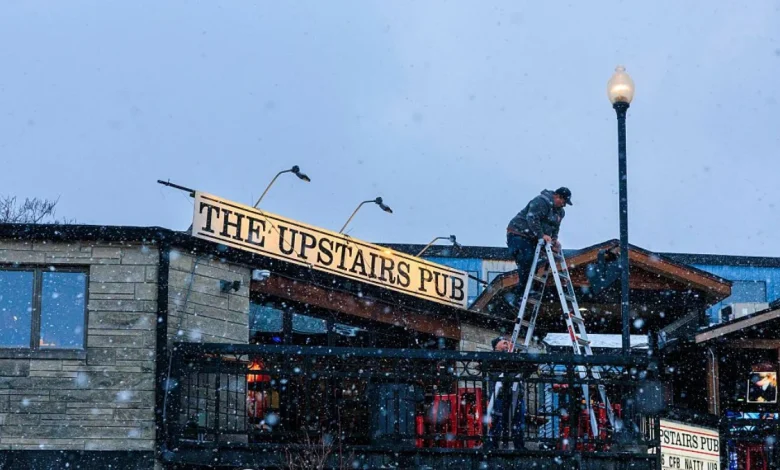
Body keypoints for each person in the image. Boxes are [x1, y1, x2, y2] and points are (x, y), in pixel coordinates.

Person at [506, 187, 573, 304]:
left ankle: (528, 290)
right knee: (527, 259)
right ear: (557, 196)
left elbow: (555, 227)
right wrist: (541, 235)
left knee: (539, 262)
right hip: (518, 233)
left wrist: (554, 240)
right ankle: (520, 293)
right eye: (563, 202)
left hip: (533, 237)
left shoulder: (560, 212)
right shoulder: (541, 201)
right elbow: (532, 218)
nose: (564, 205)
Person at [487, 336, 525, 449]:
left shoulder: (514, 357)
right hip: (499, 395)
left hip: (516, 395)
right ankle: (492, 446)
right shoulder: (493, 358)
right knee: (498, 421)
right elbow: (496, 374)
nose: (507, 344)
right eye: (504, 343)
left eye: (508, 343)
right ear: (496, 346)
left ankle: (519, 446)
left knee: (518, 421)